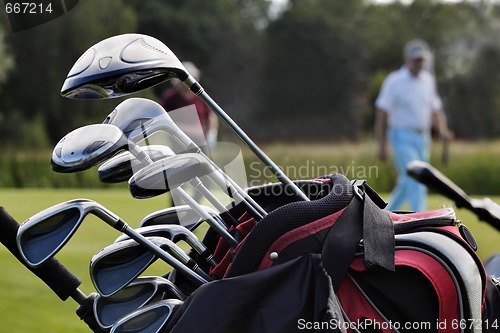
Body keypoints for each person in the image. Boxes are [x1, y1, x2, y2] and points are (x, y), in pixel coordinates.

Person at [375, 39, 450, 212]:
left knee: (406, 182)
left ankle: (384, 216)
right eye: (416, 59)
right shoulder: (394, 81)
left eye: (422, 60)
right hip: (400, 136)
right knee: (418, 179)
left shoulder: (428, 81)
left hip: (423, 138)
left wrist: (443, 130)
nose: (419, 63)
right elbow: (382, 114)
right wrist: (382, 145)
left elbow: (435, 110)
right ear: (407, 59)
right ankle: (422, 220)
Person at [160, 61, 219, 153]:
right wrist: (193, 131)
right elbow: (165, 121)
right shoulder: (170, 98)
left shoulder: (200, 95)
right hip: (179, 145)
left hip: (201, 145)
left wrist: (212, 133)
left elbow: (210, 115)